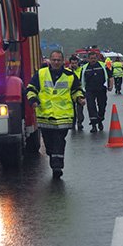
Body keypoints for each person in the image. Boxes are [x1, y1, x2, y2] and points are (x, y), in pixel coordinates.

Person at [27, 50, 85, 178]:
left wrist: (80, 98)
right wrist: (33, 100)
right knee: (49, 144)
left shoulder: (70, 75)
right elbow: (31, 88)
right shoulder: (41, 74)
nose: (56, 62)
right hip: (45, 116)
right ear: (50, 61)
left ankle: (57, 167)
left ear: (63, 61)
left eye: (59, 60)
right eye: (54, 60)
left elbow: (76, 90)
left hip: (63, 117)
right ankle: (53, 156)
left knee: (59, 141)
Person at [80, 51, 113, 133]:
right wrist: (82, 93)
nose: (93, 60)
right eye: (91, 58)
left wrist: (110, 86)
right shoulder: (84, 68)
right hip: (89, 90)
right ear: (88, 59)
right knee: (91, 107)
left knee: (102, 106)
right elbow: (81, 80)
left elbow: (110, 76)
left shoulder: (103, 65)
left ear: (97, 58)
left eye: (94, 58)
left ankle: (100, 120)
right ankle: (94, 125)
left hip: (101, 89)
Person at [68, 55, 85, 131]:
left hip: (80, 92)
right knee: (72, 109)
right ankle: (73, 123)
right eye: (72, 63)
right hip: (69, 93)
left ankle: (80, 122)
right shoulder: (67, 71)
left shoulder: (82, 70)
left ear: (78, 63)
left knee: (79, 109)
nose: (74, 65)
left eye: (75, 63)